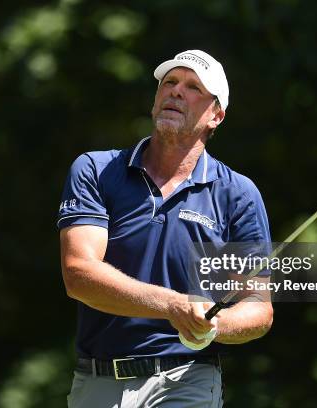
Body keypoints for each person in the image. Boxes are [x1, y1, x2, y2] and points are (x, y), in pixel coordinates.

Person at [58, 49, 273, 408]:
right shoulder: (96, 170)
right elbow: (78, 273)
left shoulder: (237, 194)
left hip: (187, 377)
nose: (176, 91)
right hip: (98, 380)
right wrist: (174, 305)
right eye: (169, 82)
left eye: (193, 87)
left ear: (216, 115)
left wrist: (213, 326)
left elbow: (258, 309)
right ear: (156, 99)